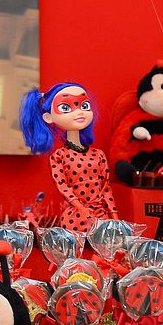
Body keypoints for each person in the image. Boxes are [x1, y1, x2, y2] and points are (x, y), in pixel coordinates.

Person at [20, 82, 117, 234]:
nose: (79, 112)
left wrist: (114, 214)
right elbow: (63, 187)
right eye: (66, 107)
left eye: (84, 105)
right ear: (48, 117)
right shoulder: (59, 156)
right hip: (76, 219)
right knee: (76, 248)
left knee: (105, 248)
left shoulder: (98, 154)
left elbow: (105, 188)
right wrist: (81, 208)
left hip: (101, 217)